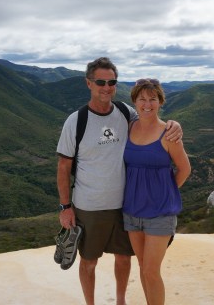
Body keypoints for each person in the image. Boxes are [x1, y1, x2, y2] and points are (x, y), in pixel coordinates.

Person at [56, 57, 183, 305]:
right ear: (89, 83)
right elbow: (63, 167)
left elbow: (151, 120)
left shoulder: (126, 113)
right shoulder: (76, 121)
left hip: (125, 205)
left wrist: (174, 124)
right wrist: (65, 207)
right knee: (89, 261)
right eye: (100, 82)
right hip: (89, 206)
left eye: (111, 81)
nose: (106, 87)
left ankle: (121, 301)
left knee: (124, 258)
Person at [122, 78, 191, 305]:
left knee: (151, 271)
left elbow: (184, 169)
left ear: (160, 102)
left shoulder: (168, 133)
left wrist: (166, 193)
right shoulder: (129, 127)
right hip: (132, 212)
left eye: (153, 99)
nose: (147, 104)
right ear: (134, 101)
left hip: (160, 213)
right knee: (143, 269)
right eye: (142, 99)